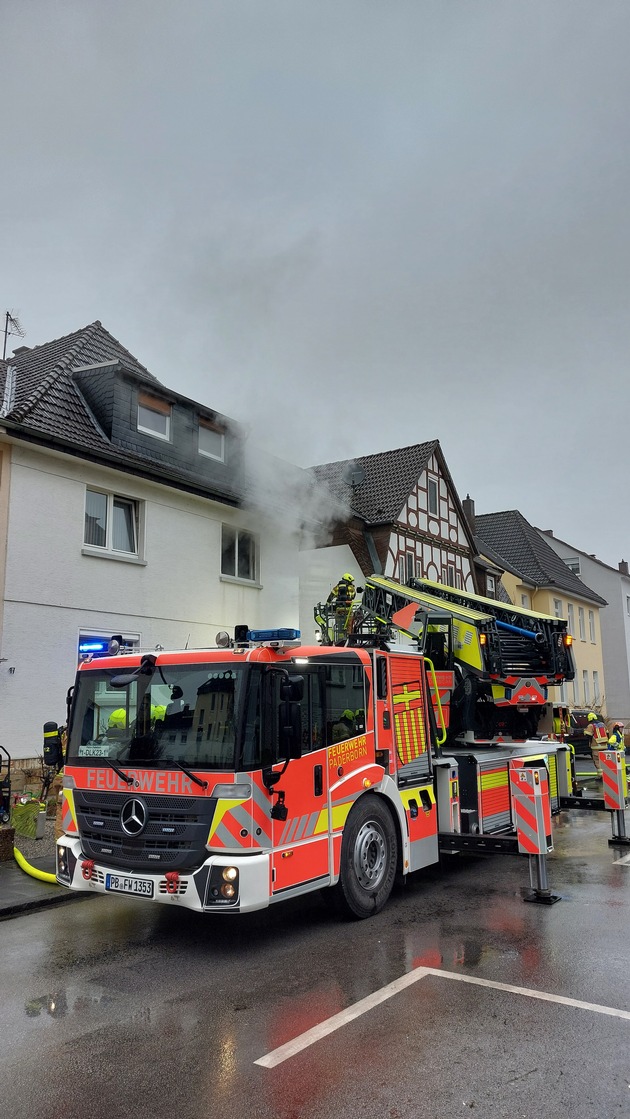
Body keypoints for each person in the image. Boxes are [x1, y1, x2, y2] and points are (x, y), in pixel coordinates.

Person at [327, 573, 357, 639]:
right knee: (349, 623)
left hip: (339, 609)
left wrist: (327, 604)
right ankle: (349, 637)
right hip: (348, 609)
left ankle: (340, 637)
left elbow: (331, 596)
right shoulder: (351, 588)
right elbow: (353, 596)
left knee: (339, 623)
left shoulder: (337, 587)